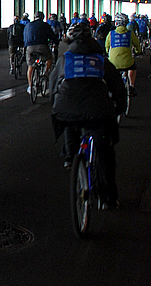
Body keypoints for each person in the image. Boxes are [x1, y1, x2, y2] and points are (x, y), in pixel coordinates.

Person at [49, 23, 126, 209]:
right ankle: (107, 199)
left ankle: (70, 156)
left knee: (70, 121)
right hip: (98, 111)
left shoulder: (64, 60)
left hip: (66, 108)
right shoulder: (101, 60)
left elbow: (53, 86)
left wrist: (56, 105)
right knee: (105, 152)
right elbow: (118, 88)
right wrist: (119, 109)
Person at [105, 13, 141, 96]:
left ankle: (111, 88)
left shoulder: (111, 34)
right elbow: (137, 44)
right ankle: (131, 86)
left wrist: (108, 52)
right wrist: (138, 51)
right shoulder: (130, 33)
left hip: (114, 62)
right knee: (132, 67)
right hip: (127, 62)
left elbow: (107, 47)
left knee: (111, 71)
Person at [23, 11, 57, 95]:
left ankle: (30, 86)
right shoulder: (45, 25)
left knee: (30, 66)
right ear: (43, 18)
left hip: (29, 47)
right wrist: (56, 43)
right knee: (49, 58)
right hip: (42, 46)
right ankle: (45, 72)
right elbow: (52, 35)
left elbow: (25, 37)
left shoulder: (28, 25)